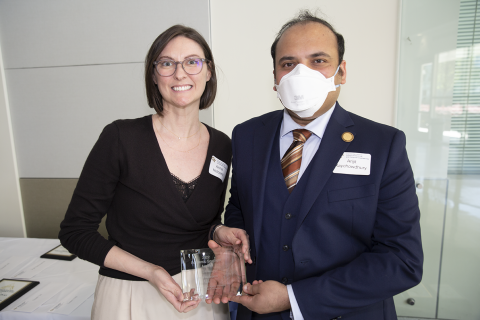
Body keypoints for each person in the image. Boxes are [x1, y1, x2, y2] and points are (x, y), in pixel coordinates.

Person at [210, 10, 423, 320]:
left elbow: (402, 260)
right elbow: (242, 206)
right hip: (257, 311)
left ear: (341, 72)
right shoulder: (247, 136)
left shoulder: (382, 145)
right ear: (274, 77)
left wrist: (293, 298)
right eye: (288, 64)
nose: (301, 74)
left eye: (318, 61)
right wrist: (231, 238)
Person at [59, 24, 250, 320]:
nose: (180, 73)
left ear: (208, 71)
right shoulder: (121, 137)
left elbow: (201, 223)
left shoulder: (222, 145)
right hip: (130, 294)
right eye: (166, 63)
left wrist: (219, 231)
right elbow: (75, 232)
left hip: (202, 296)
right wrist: (151, 272)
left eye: (192, 62)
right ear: (153, 74)